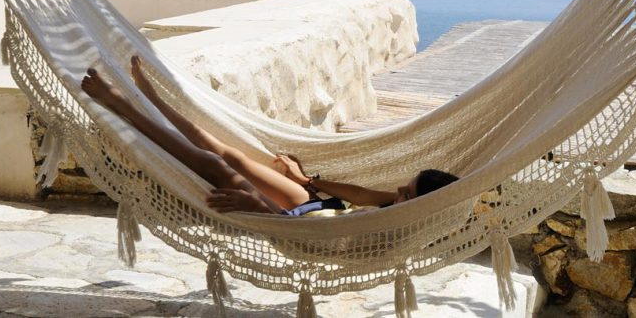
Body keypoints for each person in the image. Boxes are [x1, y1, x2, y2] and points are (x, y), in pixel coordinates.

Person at [81, 56, 458, 215]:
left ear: (423, 206)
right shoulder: (398, 205)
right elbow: (358, 196)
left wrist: (259, 209)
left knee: (212, 164)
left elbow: (324, 242)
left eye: (408, 192)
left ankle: (120, 105)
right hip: (315, 208)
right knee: (231, 155)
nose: (399, 191)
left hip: (295, 225)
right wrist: (307, 180)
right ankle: (152, 99)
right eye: (406, 186)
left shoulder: (391, 229)